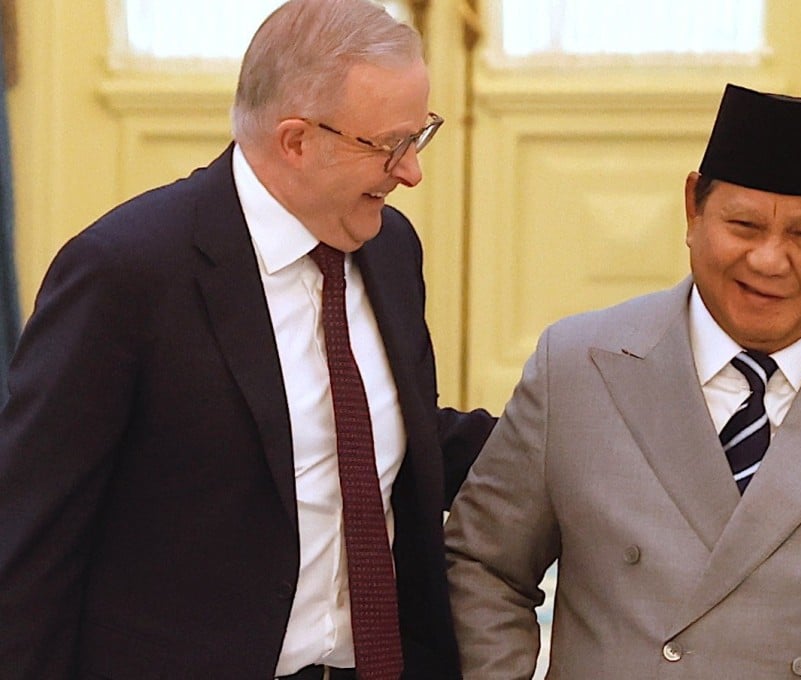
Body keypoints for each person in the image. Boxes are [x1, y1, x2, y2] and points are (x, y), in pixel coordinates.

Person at [445, 83, 801, 678]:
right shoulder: (576, 367)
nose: (769, 260)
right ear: (693, 208)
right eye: (744, 225)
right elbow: (484, 566)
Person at [0, 1, 494, 678]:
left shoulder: (389, 249)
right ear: (296, 141)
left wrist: (581, 430)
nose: (411, 173)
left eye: (419, 137)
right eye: (390, 146)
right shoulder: (126, 273)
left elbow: (381, 436)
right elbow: (32, 535)